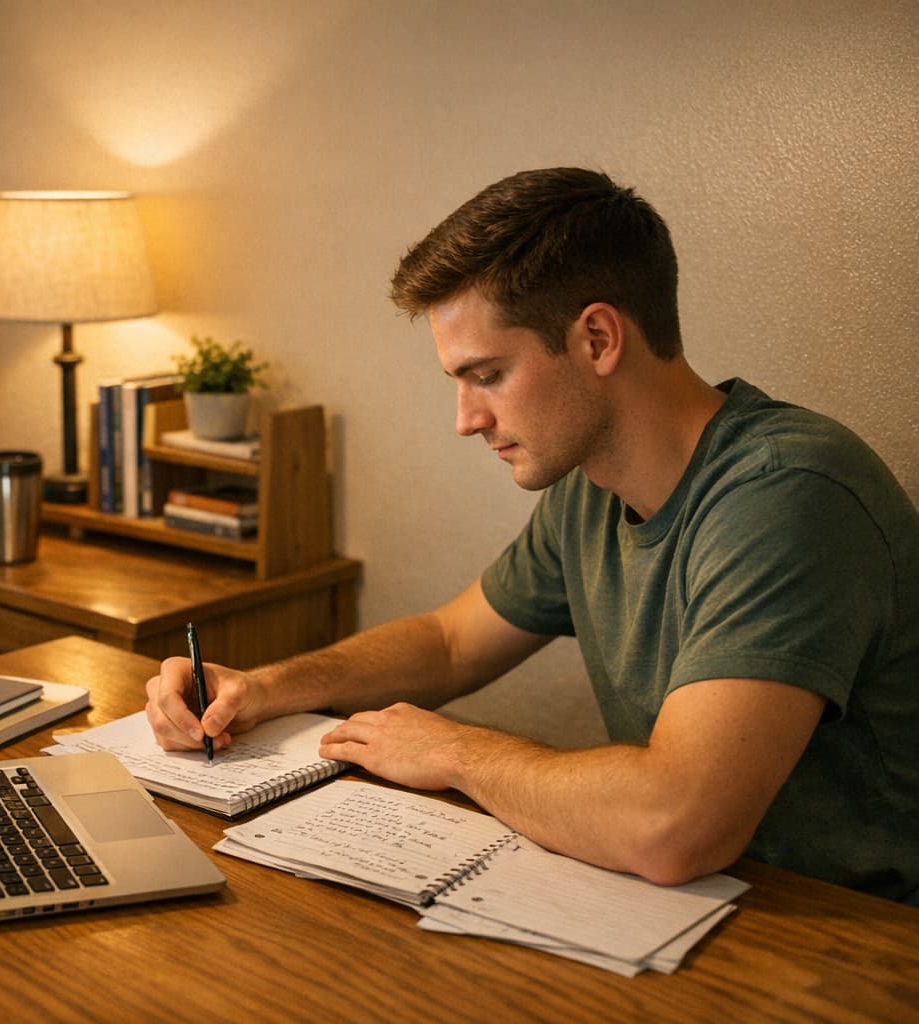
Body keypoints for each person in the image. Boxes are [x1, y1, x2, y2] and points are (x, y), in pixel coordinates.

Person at [145, 167, 919, 904]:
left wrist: (456, 751)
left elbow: (676, 824)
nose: (466, 420)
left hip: (858, 938)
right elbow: (450, 642)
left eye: (487, 376)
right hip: (689, 906)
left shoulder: (790, 493)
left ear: (597, 339)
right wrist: (264, 687)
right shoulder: (591, 486)